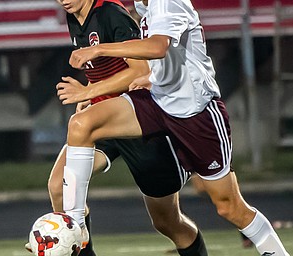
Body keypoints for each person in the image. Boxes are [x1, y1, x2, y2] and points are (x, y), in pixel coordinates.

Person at [57, 0, 291, 255]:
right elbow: (160, 60)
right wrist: (108, 89)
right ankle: (75, 225)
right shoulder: (143, 6)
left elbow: (158, 47)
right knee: (82, 124)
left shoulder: (167, 1)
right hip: (157, 103)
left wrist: (99, 50)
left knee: (229, 207)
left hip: (196, 115)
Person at [26, 0, 209, 256]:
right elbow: (102, 68)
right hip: (104, 122)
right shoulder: (75, 16)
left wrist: (90, 91)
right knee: (59, 186)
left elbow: (140, 71)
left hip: (140, 121)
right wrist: (94, 96)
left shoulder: (111, 13)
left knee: (167, 222)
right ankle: (74, 236)